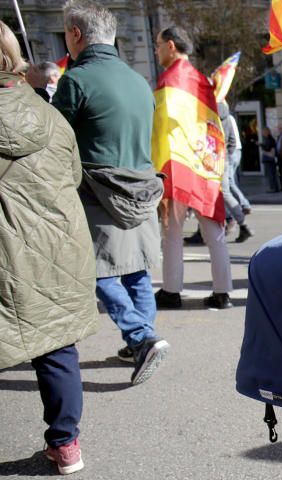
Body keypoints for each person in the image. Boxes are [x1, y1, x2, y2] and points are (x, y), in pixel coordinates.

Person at [53, 0, 170, 386]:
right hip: (139, 186)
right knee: (136, 269)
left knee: (99, 272)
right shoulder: (138, 80)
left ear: (76, 34)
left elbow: (55, 139)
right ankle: (142, 338)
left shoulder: (76, 80)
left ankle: (140, 339)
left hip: (98, 190)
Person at [1, 20, 97, 474]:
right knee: (57, 344)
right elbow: (73, 174)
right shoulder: (49, 111)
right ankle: (66, 445)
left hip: (10, 244)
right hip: (57, 240)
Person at [152, 26, 233, 310]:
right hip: (205, 164)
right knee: (214, 233)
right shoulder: (201, 80)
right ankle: (223, 292)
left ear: (171, 45)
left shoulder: (169, 81)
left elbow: (161, 128)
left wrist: (156, 168)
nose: (156, 50)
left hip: (179, 165)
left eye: (158, 45)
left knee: (172, 232)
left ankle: (171, 291)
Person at [218, 100, 254, 243]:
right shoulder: (226, 116)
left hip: (211, 161)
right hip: (222, 159)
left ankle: (237, 222)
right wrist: (226, 154)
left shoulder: (207, 113)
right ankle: (239, 223)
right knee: (225, 192)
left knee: (221, 192)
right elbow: (232, 140)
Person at [260, 126, 278, 192]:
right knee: (271, 174)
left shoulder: (270, 140)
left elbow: (272, 151)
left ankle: (273, 188)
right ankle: (273, 187)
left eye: (263, 132)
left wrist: (264, 152)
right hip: (268, 159)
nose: (262, 133)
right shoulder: (268, 139)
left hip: (269, 159)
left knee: (271, 174)